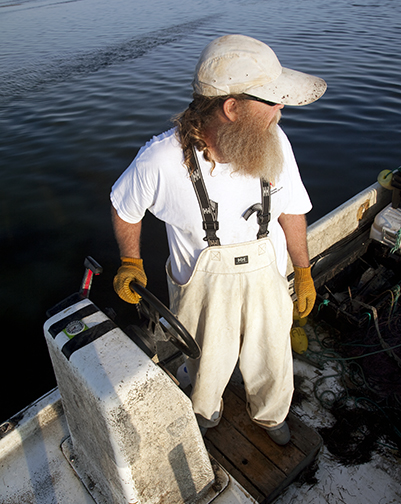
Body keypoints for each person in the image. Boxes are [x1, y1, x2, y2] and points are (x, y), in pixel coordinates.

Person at [110, 34, 326, 445]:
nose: (280, 108)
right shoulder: (160, 161)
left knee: (272, 356)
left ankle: (270, 415)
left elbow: (291, 209)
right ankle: (206, 412)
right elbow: (124, 208)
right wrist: (130, 261)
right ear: (231, 107)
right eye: (271, 100)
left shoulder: (275, 141)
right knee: (205, 362)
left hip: (268, 277)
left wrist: (302, 269)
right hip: (202, 286)